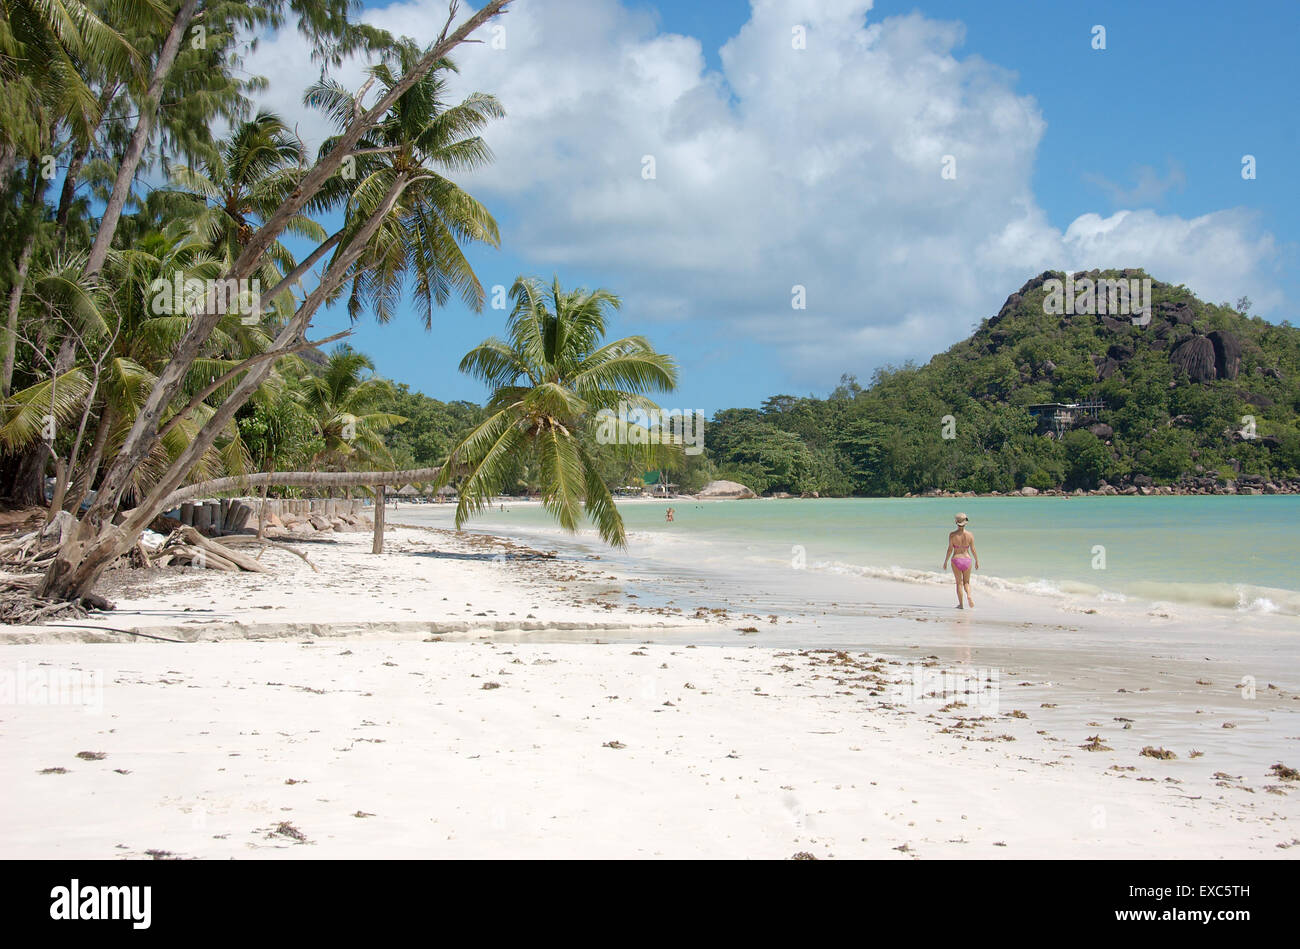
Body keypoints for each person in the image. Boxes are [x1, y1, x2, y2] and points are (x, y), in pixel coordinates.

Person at [943, 512, 979, 609]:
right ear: (966, 522)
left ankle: (961, 604)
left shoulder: (952, 535)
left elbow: (950, 549)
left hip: (956, 559)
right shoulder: (970, 535)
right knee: (966, 582)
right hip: (967, 559)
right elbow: (973, 549)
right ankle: (969, 595)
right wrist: (976, 560)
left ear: (956, 522)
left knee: (959, 583)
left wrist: (945, 561)